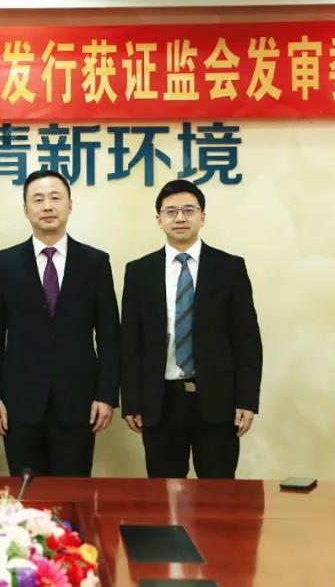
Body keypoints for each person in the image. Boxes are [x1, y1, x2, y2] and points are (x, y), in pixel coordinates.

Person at [0, 169, 120, 477]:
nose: (47, 206)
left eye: (55, 198)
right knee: (27, 495)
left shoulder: (95, 263)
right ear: (25, 209)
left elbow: (109, 336)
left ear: (69, 205)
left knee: (73, 494)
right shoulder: (5, 263)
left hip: (79, 403)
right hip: (19, 405)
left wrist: (106, 395)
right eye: (38, 199)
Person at [121, 179, 262, 478]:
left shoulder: (229, 268)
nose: (180, 218)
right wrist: (131, 401)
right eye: (171, 212)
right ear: (159, 220)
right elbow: (131, 343)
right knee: (164, 493)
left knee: (219, 493)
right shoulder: (140, 271)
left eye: (188, 210)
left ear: (202, 216)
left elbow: (247, 340)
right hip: (160, 402)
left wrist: (247, 400)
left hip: (218, 402)